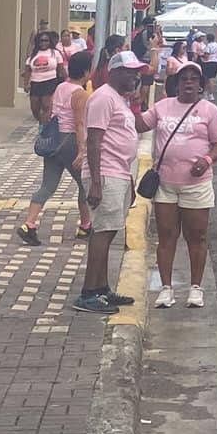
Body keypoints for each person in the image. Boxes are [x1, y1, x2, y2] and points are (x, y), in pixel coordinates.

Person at [140, 63, 217, 308]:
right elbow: (140, 125)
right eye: (184, 79)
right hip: (165, 184)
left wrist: (207, 160)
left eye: (193, 79)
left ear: (200, 85)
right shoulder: (162, 107)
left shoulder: (209, 110)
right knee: (166, 236)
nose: (189, 83)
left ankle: (196, 288)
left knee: (196, 236)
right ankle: (166, 289)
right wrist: (135, 99)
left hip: (196, 185)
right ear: (177, 84)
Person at [76, 51, 146, 314]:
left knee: (110, 230)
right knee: (103, 232)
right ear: (114, 72)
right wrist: (96, 183)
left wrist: (129, 180)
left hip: (119, 173)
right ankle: (88, 294)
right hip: (105, 174)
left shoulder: (119, 99)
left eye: (137, 72)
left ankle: (102, 288)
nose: (135, 76)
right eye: (129, 71)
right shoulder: (103, 97)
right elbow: (94, 140)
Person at [21, 50, 93, 245]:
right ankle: (85, 226)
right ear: (86, 71)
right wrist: (82, 151)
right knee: (84, 184)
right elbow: (80, 124)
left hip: (54, 141)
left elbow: (50, 111)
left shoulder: (61, 87)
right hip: (70, 141)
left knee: (48, 185)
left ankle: (29, 224)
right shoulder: (81, 94)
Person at [22, 30, 63, 122]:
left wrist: (66, 80)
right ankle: (41, 121)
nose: (44, 43)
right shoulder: (34, 54)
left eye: (46, 40)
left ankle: (44, 125)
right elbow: (28, 69)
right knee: (34, 107)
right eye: (41, 40)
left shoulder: (55, 53)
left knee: (46, 105)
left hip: (49, 81)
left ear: (50, 42)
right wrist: (26, 84)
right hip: (35, 83)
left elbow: (61, 68)